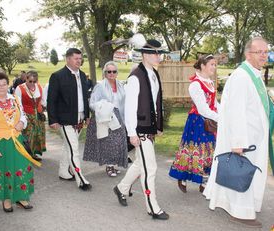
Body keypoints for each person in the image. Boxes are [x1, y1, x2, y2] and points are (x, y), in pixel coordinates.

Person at [203, 37, 270, 227]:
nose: (264, 56)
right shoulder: (242, 76)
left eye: (266, 52)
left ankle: (242, 206)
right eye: (260, 52)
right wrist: (239, 141)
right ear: (249, 54)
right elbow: (237, 111)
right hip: (246, 138)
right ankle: (240, 211)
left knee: (247, 172)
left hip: (255, 135)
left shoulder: (253, 74)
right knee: (242, 172)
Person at [113, 39, 169, 220]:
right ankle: (152, 207)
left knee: (140, 163)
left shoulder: (154, 74)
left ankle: (121, 188)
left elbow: (155, 103)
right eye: (154, 53)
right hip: (139, 129)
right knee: (149, 168)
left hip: (149, 128)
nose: (158, 56)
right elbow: (129, 108)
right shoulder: (135, 77)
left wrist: (158, 126)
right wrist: (132, 134)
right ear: (145, 54)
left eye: (159, 53)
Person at [0, 71, 39, 212]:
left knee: (20, 169)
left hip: (16, 141)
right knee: (5, 172)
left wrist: (22, 123)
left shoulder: (14, 98)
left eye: (4, 84)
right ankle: (7, 199)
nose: (2, 87)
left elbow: (22, 115)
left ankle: (21, 197)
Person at [168, 55, 219, 193]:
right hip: (197, 121)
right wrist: (220, 118)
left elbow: (214, 103)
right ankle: (183, 177)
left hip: (210, 120)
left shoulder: (210, 82)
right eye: (212, 64)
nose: (214, 67)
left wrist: (223, 113)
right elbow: (202, 109)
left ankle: (204, 181)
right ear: (203, 65)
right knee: (194, 151)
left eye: (215, 64)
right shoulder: (195, 84)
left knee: (210, 150)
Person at [47, 48, 91, 190]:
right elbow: (51, 100)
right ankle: (80, 178)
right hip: (65, 119)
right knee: (74, 148)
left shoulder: (83, 75)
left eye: (80, 58)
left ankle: (63, 171)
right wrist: (52, 120)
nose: (79, 61)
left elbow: (85, 97)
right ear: (68, 59)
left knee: (68, 146)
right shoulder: (57, 76)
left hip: (79, 118)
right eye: (76, 58)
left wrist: (87, 115)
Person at [83, 61, 128, 177]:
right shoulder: (100, 86)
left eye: (114, 71)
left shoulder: (121, 85)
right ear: (105, 73)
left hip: (119, 117)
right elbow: (92, 103)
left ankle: (113, 164)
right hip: (107, 118)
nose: (111, 74)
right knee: (109, 143)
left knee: (118, 143)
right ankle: (110, 166)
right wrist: (103, 106)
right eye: (109, 71)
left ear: (117, 73)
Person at [15, 71, 46, 161]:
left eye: (34, 81)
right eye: (30, 81)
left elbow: (43, 101)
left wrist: (42, 108)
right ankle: (27, 153)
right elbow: (17, 104)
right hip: (26, 115)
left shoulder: (39, 87)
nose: (32, 83)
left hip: (38, 115)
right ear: (26, 79)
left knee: (37, 135)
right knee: (28, 135)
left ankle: (33, 153)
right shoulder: (19, 88)